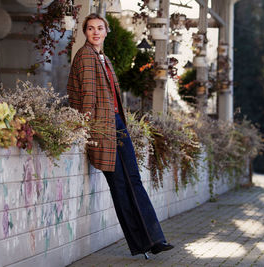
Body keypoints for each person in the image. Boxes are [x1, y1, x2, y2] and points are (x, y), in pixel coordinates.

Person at [67, 13, 173, 259]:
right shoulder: (85, 57)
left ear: (106, 32)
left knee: (132, 180)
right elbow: (87, 98)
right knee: (120, 184)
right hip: (102, 127)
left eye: (100, 28)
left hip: (116, 123)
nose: (95, 32)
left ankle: (153, 239)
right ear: (85, 32)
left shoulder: (102, 58)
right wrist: (89, 129)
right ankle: (144, 242)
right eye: (91, 28)